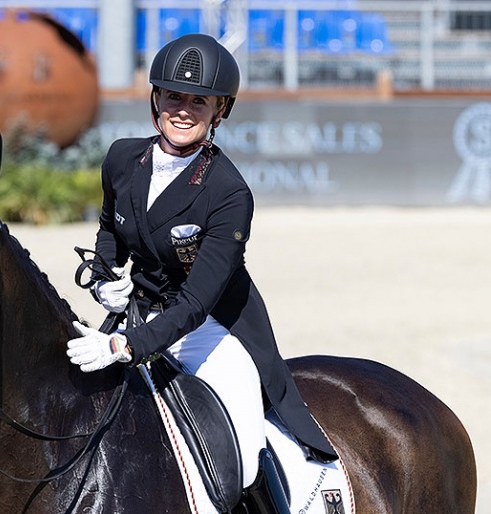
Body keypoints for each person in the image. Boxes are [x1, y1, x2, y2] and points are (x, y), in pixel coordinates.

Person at [66, 33, 337, 513]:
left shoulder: (228, 193)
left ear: (220, 111)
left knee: (246, 449)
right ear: (156, 99)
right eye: (173, 95)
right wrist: (107, 278)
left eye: (199, 100)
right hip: (139, 314)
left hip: (213, 329)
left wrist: (124, 345)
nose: (183, 109)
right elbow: (111, 227)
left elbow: (195, 304)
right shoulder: (122, 159)